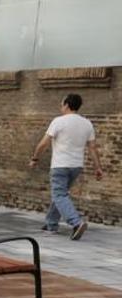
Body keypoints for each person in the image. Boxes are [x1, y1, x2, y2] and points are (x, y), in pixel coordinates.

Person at [30, 93, 105, 241]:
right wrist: (98, 167)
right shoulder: (87, 123)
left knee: (59, 195)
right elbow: (92, 148)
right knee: (60, 194)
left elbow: (44, 143)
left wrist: (35, 158)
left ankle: (76, 223)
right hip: (76, 166)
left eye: (61, 103)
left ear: (66, 105)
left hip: (60, 165)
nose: (60, 106)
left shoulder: (59, 121)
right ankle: (51, 224)